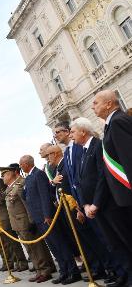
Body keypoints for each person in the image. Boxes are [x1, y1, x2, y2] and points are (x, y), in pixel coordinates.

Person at [70, 117, 129, 285]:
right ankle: (124, 273)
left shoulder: (98, 145)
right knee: (112, 244)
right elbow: (82, 181)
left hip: (107, 204)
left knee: (121, 240)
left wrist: (95, 203)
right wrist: (85, 204)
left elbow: (102, 177)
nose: (71, 135)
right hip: (93, 208)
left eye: (73, 132)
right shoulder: (82, 152)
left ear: (83, 131)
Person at [20, 155, 81, 285]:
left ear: (27, 164)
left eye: (21, 164)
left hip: (46, 217)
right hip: (38, 218)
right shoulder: (29, 177)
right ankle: (64, 271)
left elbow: (44, 196)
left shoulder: (38, 174)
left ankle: (73, 271)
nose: (20, 167)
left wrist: (47, 215)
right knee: (53, 247)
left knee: (59, 244)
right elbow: (26, 196)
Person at [92, 90, 132, 286]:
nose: (93, 106)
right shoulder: (111, 125)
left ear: (108, 104)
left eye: (96, 103)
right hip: (122, 196)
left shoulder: (117, 122)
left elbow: (128, 158)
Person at [0, 163, 55, 283]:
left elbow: (27, 204)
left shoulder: (19, 185)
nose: (3, 178)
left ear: (11, 174)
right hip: (18, 223)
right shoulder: (11, 187)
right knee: (30, 249)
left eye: (4, 175)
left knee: (35, 247)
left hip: (25, 222)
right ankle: (39, 270)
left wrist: (31, 221)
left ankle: (44, 270)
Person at [0, 176, 29, 272]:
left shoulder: (2, 190)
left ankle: (22, 262)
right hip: (0, 223)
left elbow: (1, 198)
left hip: (7, 221)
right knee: (9, 245)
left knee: (14, 243)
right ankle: (17, 263)